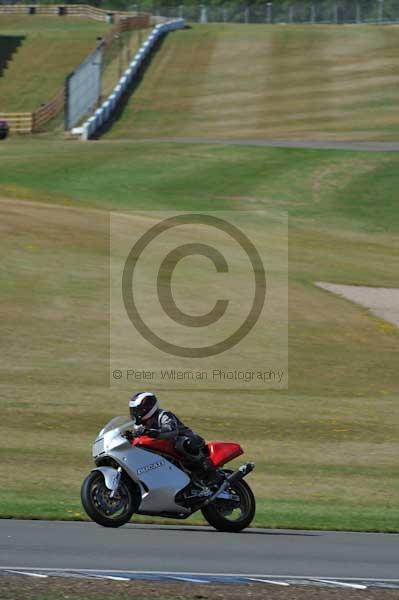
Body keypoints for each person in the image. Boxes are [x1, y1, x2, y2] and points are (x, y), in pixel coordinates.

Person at [128, 391, 222, 483]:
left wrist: (152, 432)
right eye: (134, 411)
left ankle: (209, 469)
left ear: (149, 408)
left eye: (138, 410)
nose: (136, 413)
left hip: (187, 440)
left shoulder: (164, 415)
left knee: (182, 443)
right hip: (166, 448)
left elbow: (171, 430)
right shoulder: (139, 425)